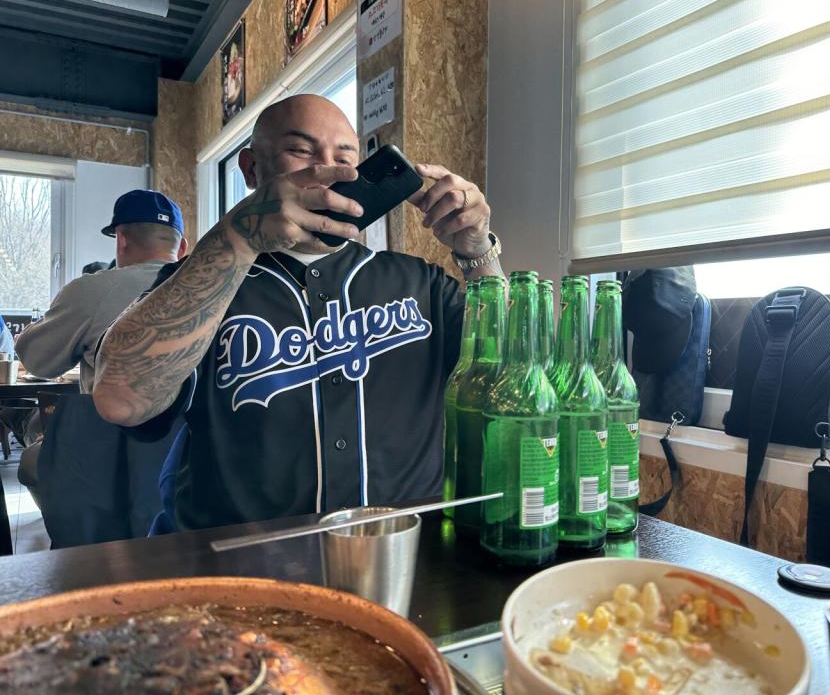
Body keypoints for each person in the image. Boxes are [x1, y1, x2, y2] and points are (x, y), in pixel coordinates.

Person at [93, 94, 503, 530]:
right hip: (243, 568)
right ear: (252, 169)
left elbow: (510, 380)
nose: (328, 171)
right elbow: (120, 400)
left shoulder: (421, 284)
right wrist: (239, 235)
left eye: (345, 157)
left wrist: (477, 251)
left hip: (406, 559)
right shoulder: (202, 282)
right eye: (302, 152)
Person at [16, 190, 188, 393]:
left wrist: (24, 337)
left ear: (121, 240)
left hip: (113, 423)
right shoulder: (213, 290)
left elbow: (38, 362)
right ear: (182, 248)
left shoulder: (92, 290)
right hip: (193, 424)